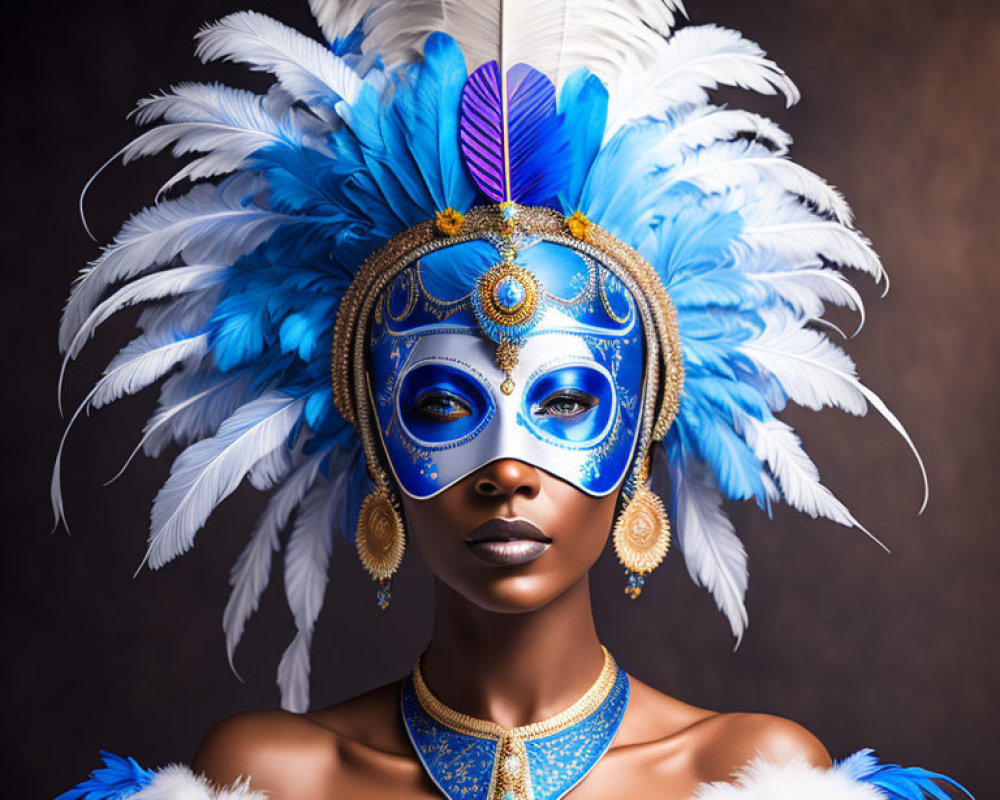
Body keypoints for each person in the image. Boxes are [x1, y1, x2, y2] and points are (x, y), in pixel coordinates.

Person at [52, 1, 975, 798]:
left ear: (642, 437)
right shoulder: (273, 777)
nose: (505, 471)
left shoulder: (749, 777)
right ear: (376, 440)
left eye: (566, 404)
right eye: (445, 407)